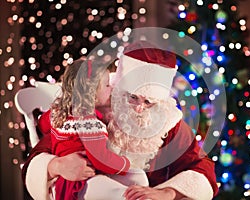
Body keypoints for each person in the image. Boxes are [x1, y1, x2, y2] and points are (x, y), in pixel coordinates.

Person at [22, 41, 219, 200]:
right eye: (132, 97)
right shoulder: (94, 110)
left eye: (148, 101)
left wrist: (167, 193)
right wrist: (56, 166)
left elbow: (203, 168)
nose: (139, 108)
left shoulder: (167, 122)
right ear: (118, 89)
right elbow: (39, 153)